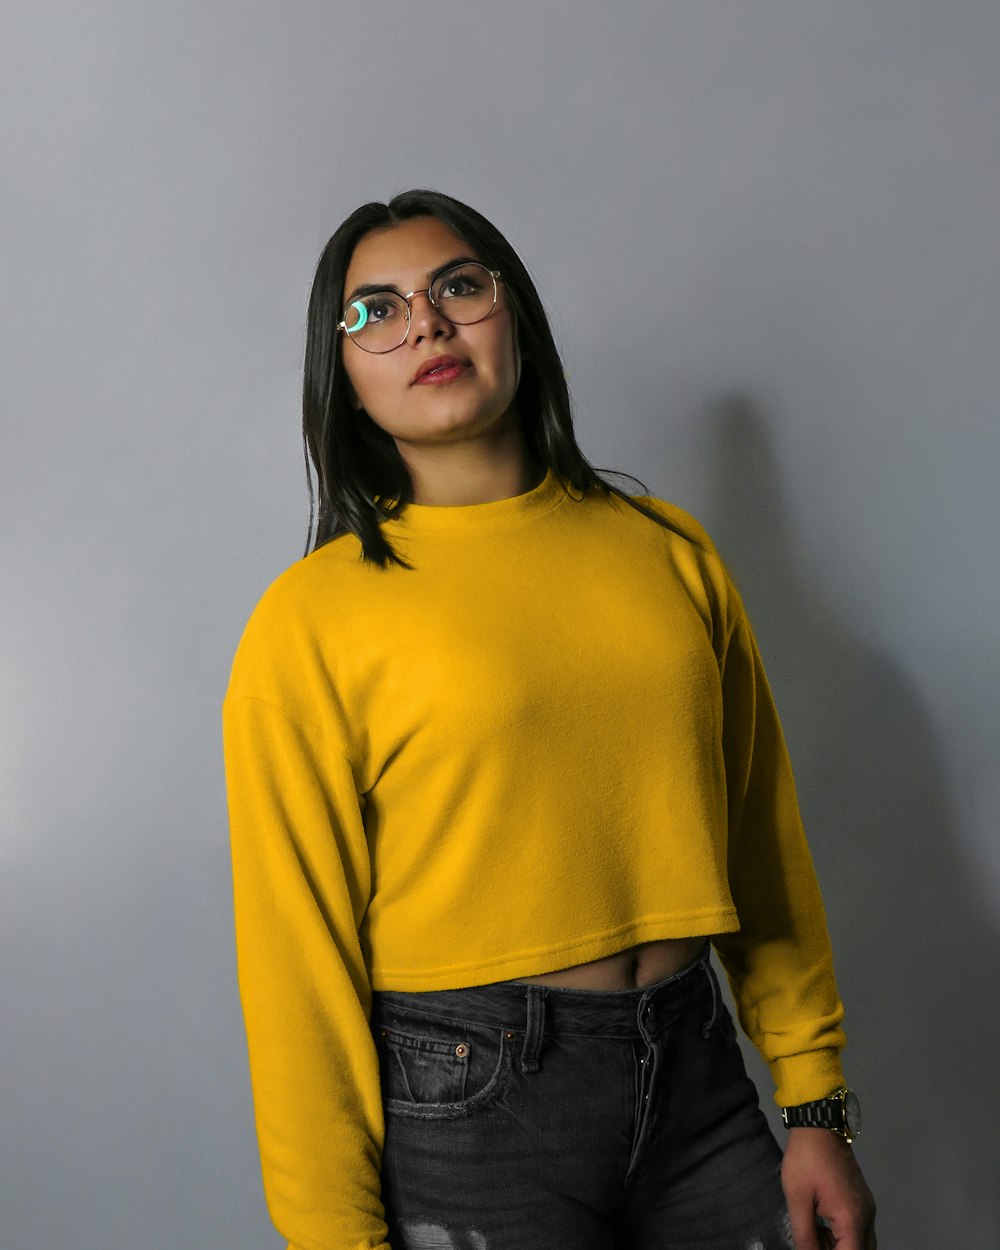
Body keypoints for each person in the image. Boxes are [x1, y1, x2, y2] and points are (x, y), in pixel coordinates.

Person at [221, 188, 877, 1250]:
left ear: (512, 312)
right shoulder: (311, 619)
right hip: (467, 1102)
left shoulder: (668, 551)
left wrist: (814, 1103)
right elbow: (295, 966)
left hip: (697, 1077)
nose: (425, 322)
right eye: (373, 311)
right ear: (339, 375)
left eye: (458, 287)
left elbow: (762, 843)